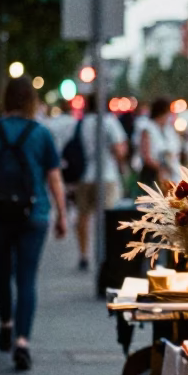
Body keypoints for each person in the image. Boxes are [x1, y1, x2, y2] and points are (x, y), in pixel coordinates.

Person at [0, 77, 68, 371]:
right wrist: (62, 214)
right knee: (27, 277)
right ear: (32, 101)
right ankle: (23, 342)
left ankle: (6, 323)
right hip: (34, 214)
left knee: (2, 272)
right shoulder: (41, 133)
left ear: (5, 99)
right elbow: (54, 177)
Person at [74, 96, 128, 271]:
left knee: (83, 216)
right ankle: (107, 253)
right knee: (108, 218)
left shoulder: (81, 123)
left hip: (84, 176)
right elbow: (119, 150)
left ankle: (84, 255)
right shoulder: (109, 122)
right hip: (107, 176)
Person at [138, 97, 180, 188]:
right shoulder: (148, 129)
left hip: (171, 174)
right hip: (154, 175)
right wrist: (160, 168)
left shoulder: (168, 129)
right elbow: (147, 156)